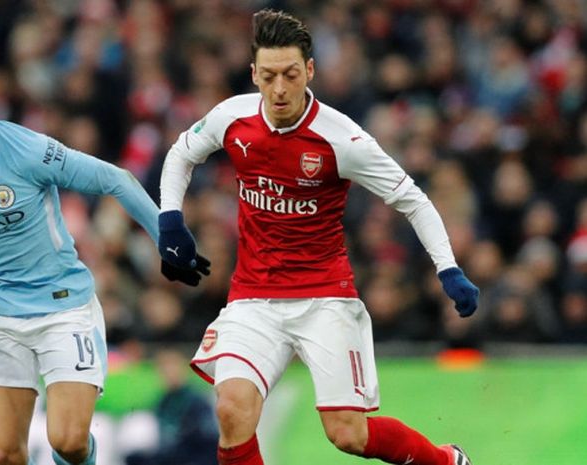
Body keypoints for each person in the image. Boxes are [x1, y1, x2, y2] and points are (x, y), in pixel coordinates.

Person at [157, 9, 478, 465]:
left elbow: (413, 199)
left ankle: (444, 460)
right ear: (254, 74)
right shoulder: (231, 117)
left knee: (349, 435)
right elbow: (180, 155)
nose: (280, 88)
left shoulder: (341, 139)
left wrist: (448, 269)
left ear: (310, 70)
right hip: (253, 297)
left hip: (324, 297)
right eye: (268, 76)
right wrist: (171, 219)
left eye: (290, 74)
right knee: (231, 410)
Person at [0, 38, 209, 465]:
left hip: (63, 308)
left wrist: (166, 236)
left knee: (68, 441)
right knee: (4, 453)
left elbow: (115, 179)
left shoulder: (26, 150)